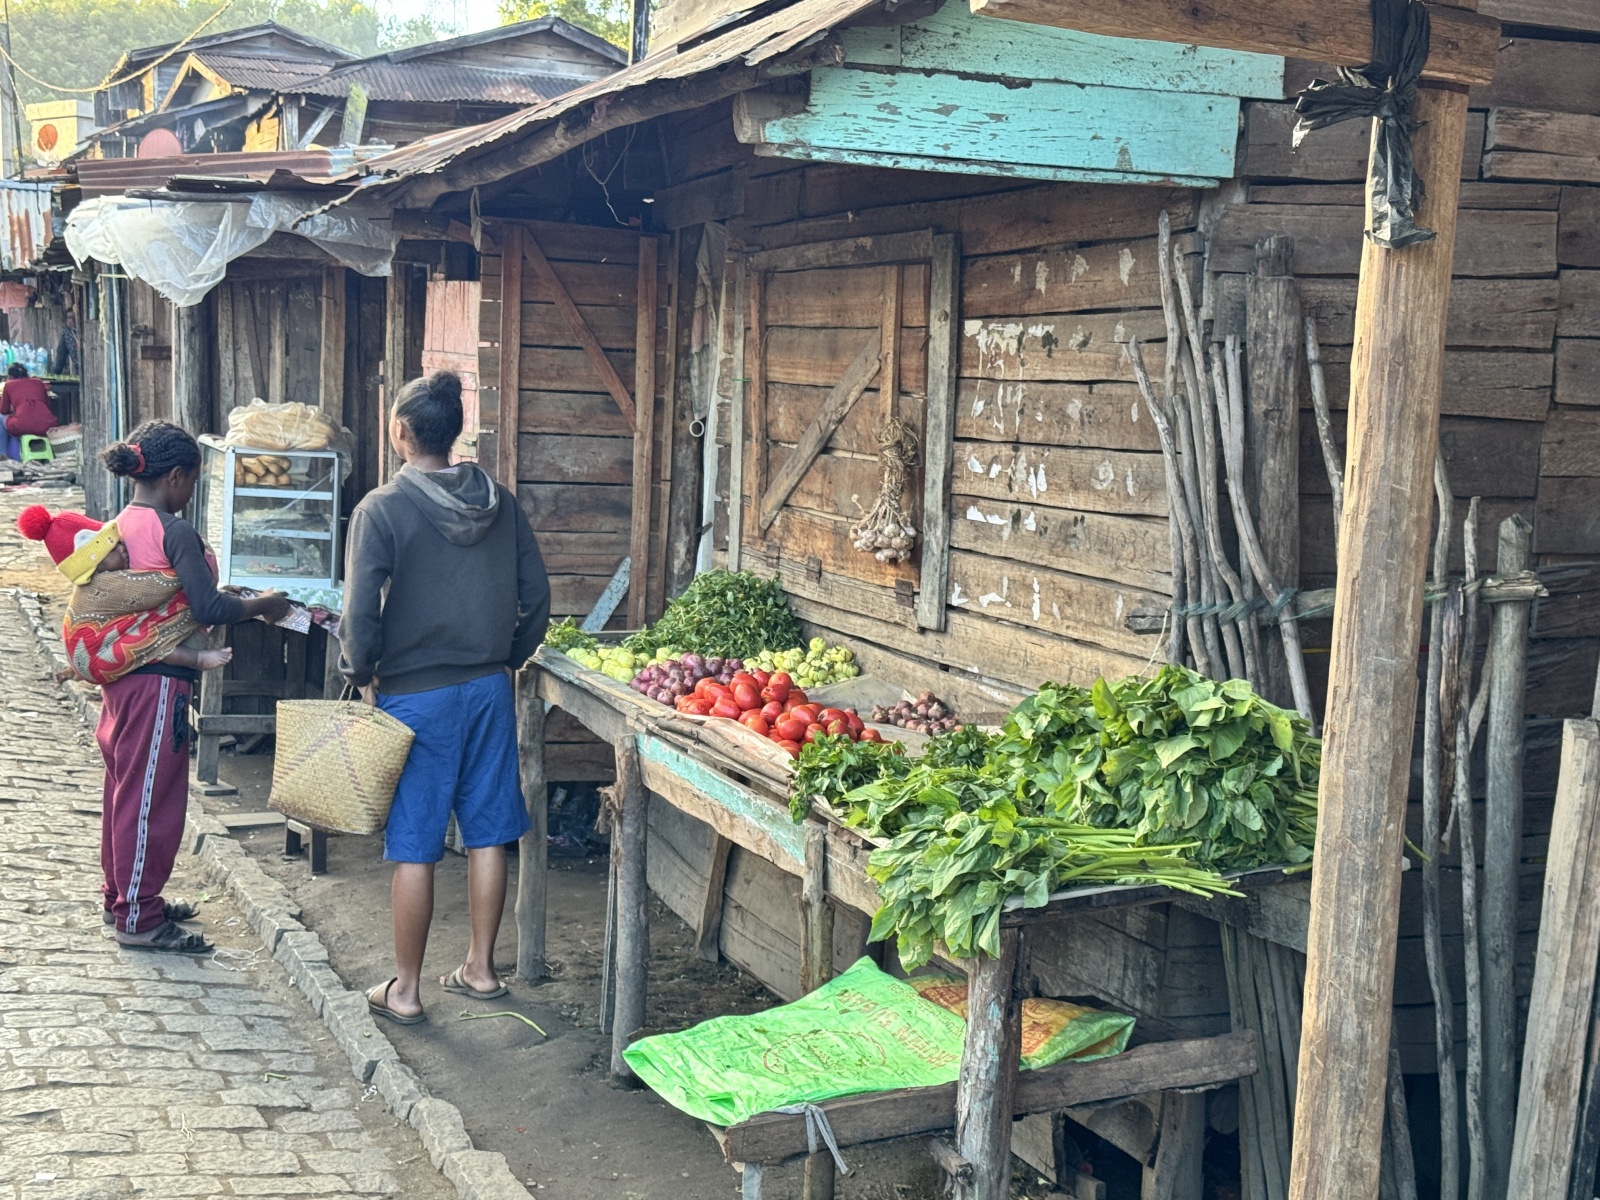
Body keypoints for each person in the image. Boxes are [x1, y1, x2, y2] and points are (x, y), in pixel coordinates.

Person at [339, 370, 550, 1025]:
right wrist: (506, 657)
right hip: (489, 687)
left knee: (415, 842)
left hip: (414, 696)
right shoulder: (500, 502)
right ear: (454, 431)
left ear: (401, 430)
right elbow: (537, 598)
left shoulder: (381, 509)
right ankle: (481, 969)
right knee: (488, 832)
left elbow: (358, 613)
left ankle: (405, 990)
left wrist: (361, 671)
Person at [96, 421, 290, 953]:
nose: (191, 492)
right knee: (151, 800)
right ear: (176, 476)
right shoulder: (173, 529)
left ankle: (123, 898)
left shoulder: (120, 523)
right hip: (157, 683)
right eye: (193, 482)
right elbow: (208, 606)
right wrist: (263, 605)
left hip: (124, 678)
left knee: (123, 792)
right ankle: (139, 918)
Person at [18, 505, 234, 682]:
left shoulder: (93, 583)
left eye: (119, 542)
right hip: (95, 658)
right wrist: (195, 560)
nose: (122, 547)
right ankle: (197, 659)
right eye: (112, 549)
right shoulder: (107, 583)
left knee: (147, 621)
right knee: (152, 637)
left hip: (86, 653)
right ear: (95, 565)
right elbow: (162, 587)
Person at [1, 363, 55, 439]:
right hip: (47, 424)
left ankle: (4, 447)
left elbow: (3, 411)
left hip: (22, 425)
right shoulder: (38, 382)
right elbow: (47, 404)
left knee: (2, 418)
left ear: (10, 376)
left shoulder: (9, 384)